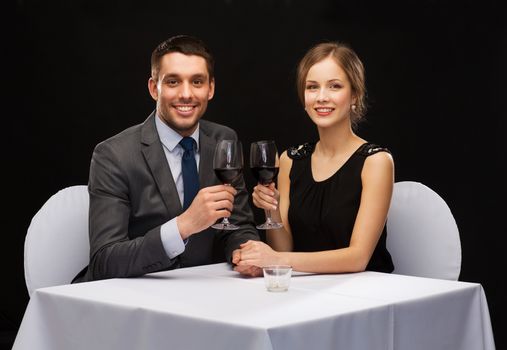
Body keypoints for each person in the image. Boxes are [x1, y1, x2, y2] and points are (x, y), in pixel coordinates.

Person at [73, 35, 260, 283]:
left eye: (197, 82)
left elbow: (238, 224)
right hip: (129, 303)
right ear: (154, 88)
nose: (186, 94)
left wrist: (244, 251)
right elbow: (105, 260)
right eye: (173, 82)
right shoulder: (113, 155)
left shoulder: (224, 140)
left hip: (203, 296)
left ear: (211, 88)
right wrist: (183, 226)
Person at [235, 42, 394, 274]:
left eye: (334, 86)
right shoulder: (290, 159)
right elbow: (283, 248)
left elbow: (357, 258)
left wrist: (275, 259)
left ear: (355, 96)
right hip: (307, 289)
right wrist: (272, 209)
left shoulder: (376, 162)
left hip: (365, 293)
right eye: (312, 87)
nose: (321, 97)